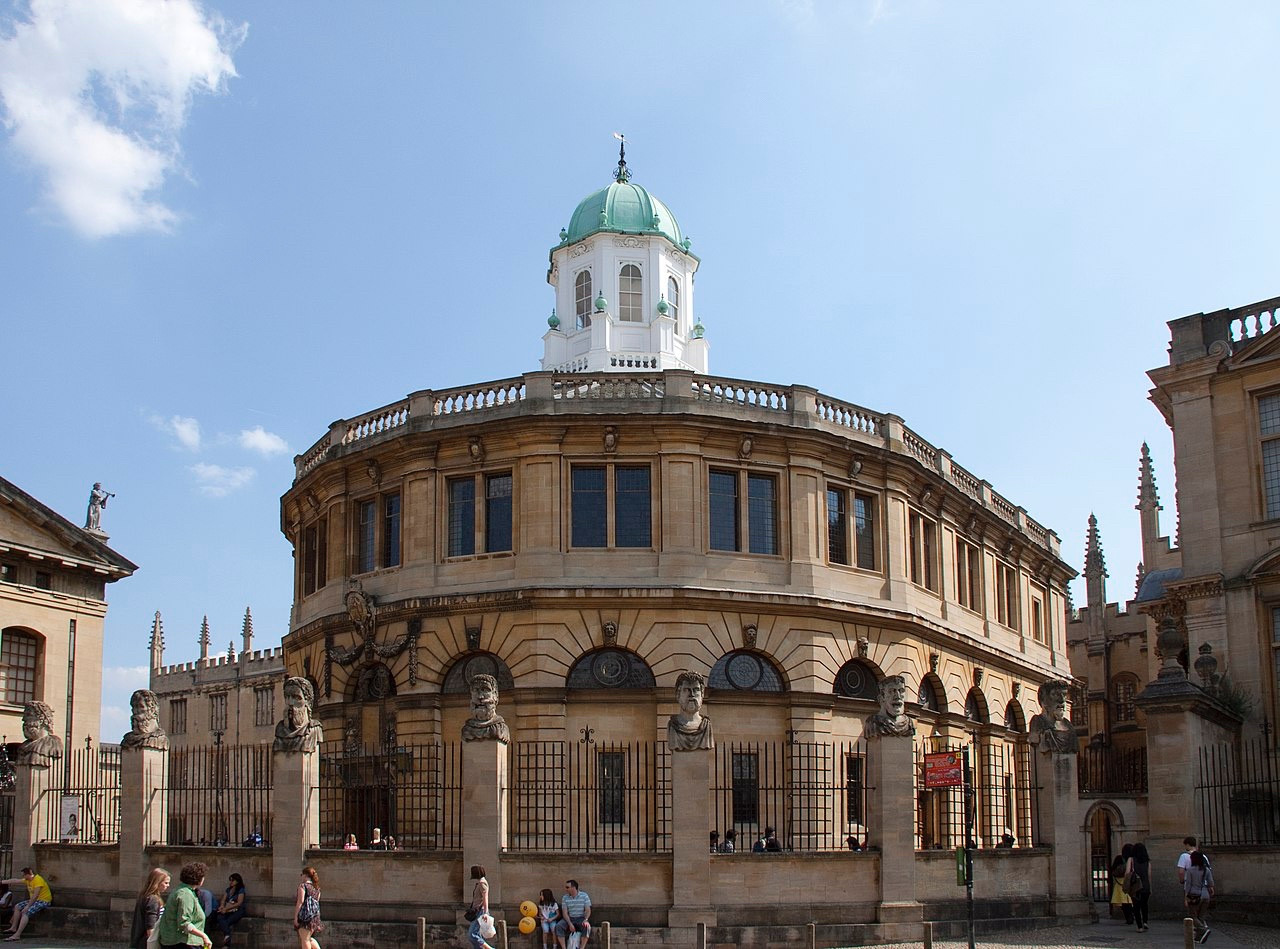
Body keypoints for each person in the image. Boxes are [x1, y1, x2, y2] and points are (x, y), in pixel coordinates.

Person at [156, 862, 212, 949]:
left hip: (177, 941)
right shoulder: (185, 894)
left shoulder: (182, 891)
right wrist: (204, 936)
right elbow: (184, 922)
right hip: (182, 942)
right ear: (198, 878)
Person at [2, 867, 52, 941]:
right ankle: (13, 928)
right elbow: (15, 880)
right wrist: (2, 882)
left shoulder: (38, 880)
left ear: (29, 874)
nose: (23, 877)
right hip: (35, 900)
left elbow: (35, 895)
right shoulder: (28, 880)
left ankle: (17, 935)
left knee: (26, 912)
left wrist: (28, 906)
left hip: (43, 900)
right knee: (17, 906)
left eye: (24, 875)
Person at [274, 677, 323, 753]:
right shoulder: (280, 731)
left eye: (296, 697)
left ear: (307, 701)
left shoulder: (314, 729)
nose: (290, 703)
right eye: (287, 697)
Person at [667, 671, 714, 750]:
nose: (691, 694)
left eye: (696, 690)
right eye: (686, 690)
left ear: (702, 694)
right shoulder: (673, 725)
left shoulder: (706, 726)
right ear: (678, 694)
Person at [129, 868, 170, 949]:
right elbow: (151, 927)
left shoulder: (144, 896)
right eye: (166, 883)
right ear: (157, 883)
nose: (168, 885)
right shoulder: (153, 900)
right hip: (148, 943)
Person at [1184, 850, 1214, 943]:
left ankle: (1203, 929)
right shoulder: (1206, 869)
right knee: (1201, 916)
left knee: (1192, 915)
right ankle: (1198, 937)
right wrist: (1211, 890)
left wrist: (1185, 897)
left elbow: (1188, 884)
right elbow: (1211, 883)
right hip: (1205, 895)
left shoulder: (1190, 870)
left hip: (1194, 895)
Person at [210, 873, 246, 948]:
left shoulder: (241, 890)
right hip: (228, 909)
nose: (231, 882)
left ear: (237, 881)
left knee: (227, 922)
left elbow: (239, 903)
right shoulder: (228, 890)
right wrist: (222, 906)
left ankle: (227, 942)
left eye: (232, 880)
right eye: (230, 880)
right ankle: (227, 935)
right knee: (220, 917)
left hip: (237, 910)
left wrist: (226, 909)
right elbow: (223, 899)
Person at [555, 879, 591, 949]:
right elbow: (564, 913)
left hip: (581, 918)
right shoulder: (565, 897)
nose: (566, 889)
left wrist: (586, 919)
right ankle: (564, 947)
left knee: (587, 927)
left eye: (567, 887)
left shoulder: (584, 896)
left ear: (573, 887)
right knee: (558, 926)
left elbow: (588, 910)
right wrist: (570, 924)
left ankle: (582, 948)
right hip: (570, 918)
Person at [466, 865, 495, 949]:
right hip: (478, 911)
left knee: (472, 935)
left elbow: (485, 897)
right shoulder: (480, 883)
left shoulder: (482, 883)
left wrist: (485, 913)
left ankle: (489, 948)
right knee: (477, 934)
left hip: (480, 911)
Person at [293, 867, 322, 949]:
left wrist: (295, 917)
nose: (301, 877)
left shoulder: (303, 886)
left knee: (305, 939)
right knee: (308, 938)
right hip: (314, 918)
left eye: (301, 875)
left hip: (305, 918)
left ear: (305, 875)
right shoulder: (317, 889)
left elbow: (300, 902)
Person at [1128, 842, 1152, 933]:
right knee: (1144, 905)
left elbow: (1127, 872)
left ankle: (1139, 926)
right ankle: (1145, 922)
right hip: (1146, 886)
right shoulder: (1147, 861)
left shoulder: (1131, 860)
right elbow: (1149, 875)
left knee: (1136, 906)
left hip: (1136, 886)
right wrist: (1151, 888)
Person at [1109, 852, 1134, 924]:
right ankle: (1131, 917)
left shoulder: (1114, 868)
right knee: (1129, 903)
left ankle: (1128, 918)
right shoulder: (1124, 866)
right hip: (1125, 885)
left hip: (1118, 886)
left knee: (1123, 904)